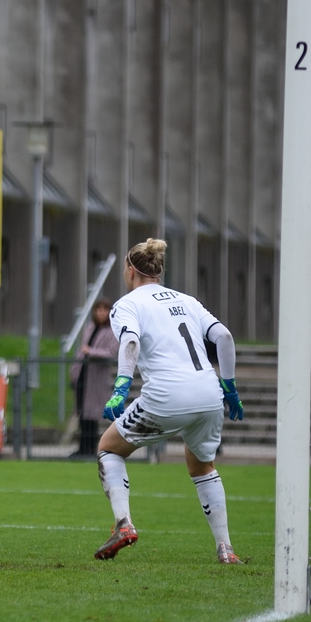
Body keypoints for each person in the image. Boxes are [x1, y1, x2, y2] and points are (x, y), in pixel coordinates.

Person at [94, 238, 245, 564]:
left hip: (166, 395)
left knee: (108, 449)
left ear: (130, 270)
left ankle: (124, 524)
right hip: (209, 394)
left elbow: (130, 342)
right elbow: (224, 336)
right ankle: (226, 549)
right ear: (159, 272)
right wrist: (230, 387)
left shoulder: (127, 304)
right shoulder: (187, 300)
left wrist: (121, 387)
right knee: (202, 466)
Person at [68, 298, 119, 458]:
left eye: (104, 310)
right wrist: (74, 371)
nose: (101, 313)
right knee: (82, 413)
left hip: (96, 378)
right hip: (84, 375)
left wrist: (91, 351)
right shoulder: (90, 328)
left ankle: (90, 448)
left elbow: (111, 353)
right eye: (98, 310)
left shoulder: (111, 331)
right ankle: (82, 448)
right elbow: (81, 351)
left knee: (92, 415)